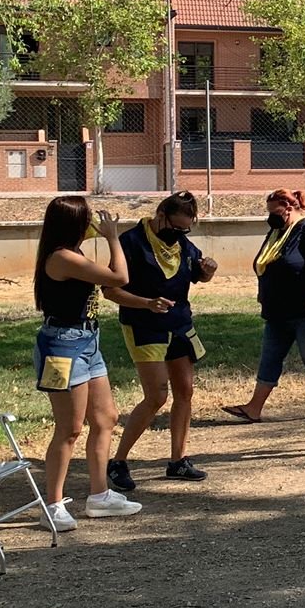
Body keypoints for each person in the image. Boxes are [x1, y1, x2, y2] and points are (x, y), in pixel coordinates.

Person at [31, 196, 141, 529]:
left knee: (105, 417)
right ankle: (52, 504)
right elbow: (119, 277)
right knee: (69, 428)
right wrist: (112, 236)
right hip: (61, 346)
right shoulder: (62, 258)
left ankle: (99, 496)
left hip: (87, 341)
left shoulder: (73, 253)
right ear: (74, 223)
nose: (93, 221)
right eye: (88, 217)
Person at [109, 191, 218, 488]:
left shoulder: (182, 244)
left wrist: (207, 272)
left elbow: (198, 275)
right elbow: (110, 291)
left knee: (185, 391)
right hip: (144, 326)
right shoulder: (131, 242)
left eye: (186, 229)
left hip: (180, 324)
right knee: (157, 396)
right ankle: (117, 462)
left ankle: (178, 461)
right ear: (160, 216)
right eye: (175, 228)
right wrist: (146, 303)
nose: (180, 234)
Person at [225, 189, 305, 424]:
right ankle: (254, 408)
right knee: (270, 357)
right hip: (277, 312)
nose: (270, 217)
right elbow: (267, 263)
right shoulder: (277, 232)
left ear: (288, 207)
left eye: (273, 211)